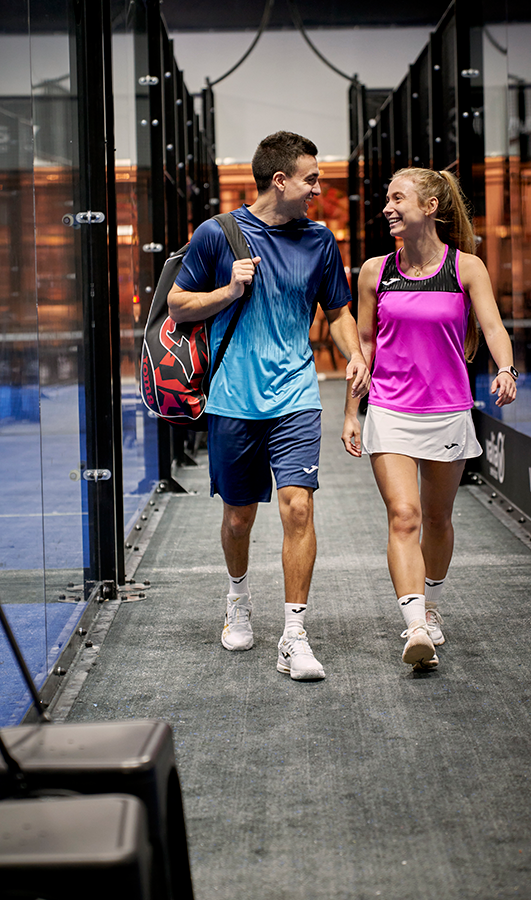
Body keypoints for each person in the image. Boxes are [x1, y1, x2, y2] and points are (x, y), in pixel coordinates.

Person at [168, 131, 370, 681]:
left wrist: (354, 353)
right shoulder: (218, 235)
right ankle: (237, 598)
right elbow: (178, 306)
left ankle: (294, 635)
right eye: (310, 178)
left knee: (298, 509)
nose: (318, 188)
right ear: (279, 181)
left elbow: (339, 311)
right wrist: (226, 293)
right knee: (238, 517)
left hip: (297, 395)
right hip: (233, 399)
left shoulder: (320, 242)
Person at [341, 167, 517, 671]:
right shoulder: (375, 270)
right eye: (387, 199)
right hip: (390, 410)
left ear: (431, 207)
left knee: (437, 519)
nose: (387, 208)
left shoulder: (467, 268)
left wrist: (506, 367)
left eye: (398, 199)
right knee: (405, 516)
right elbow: (366, 346)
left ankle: (432, 603)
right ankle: (415, 623)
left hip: (447, 412)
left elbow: (492, 326)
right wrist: (352, 411)